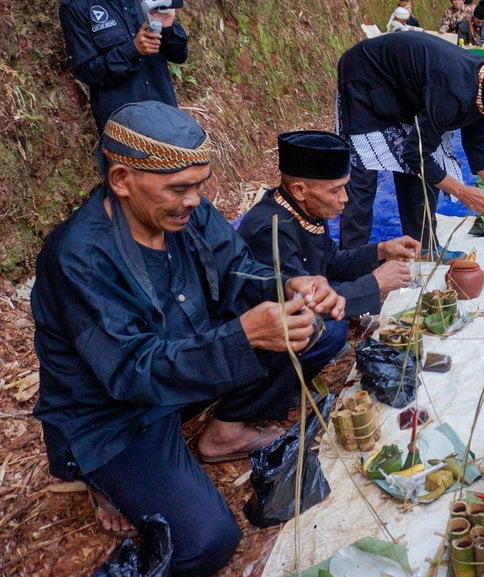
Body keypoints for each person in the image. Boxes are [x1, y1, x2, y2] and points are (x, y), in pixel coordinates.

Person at [31, 101, 345, 575]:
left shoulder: (186, 213)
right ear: (121, 180)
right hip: (118, 411)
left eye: (200, 185)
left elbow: (239, 268)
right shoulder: (79, 256)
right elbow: (131, 370)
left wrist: (289, 286)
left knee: (315, 328)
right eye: (180, 188)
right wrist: (242, 338)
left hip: (187, 362)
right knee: (207, 542)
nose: (195, 200)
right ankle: (105, 477)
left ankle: (228, 431)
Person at [336, 34, 484, 257]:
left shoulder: (483, 83)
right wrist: (461, 191)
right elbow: (415, 154)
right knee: (363, 175)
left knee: (425, 168)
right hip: (366, 77)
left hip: (406, 91)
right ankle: (352, 259)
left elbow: (475, 141)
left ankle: (424, 248)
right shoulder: (453, 93)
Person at [238, 131, 420, 365]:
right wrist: (375, 283)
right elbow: (299, 306)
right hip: (262, 337)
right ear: (299, 190)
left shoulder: (304, 209)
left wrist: (382, 250)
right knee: (331, 331)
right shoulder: (271, 231)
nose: (345, 198)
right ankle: (285, 385)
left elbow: (331, 263)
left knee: (337, 315)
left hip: (300, 304)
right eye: (335, 190)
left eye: (345, 187)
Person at [59, 0, 188, 132]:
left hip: (166, 116)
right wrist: (132, 51)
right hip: (122, 129)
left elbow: (179, 56)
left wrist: (167, 27)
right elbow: (86, 70)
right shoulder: (76, 7)